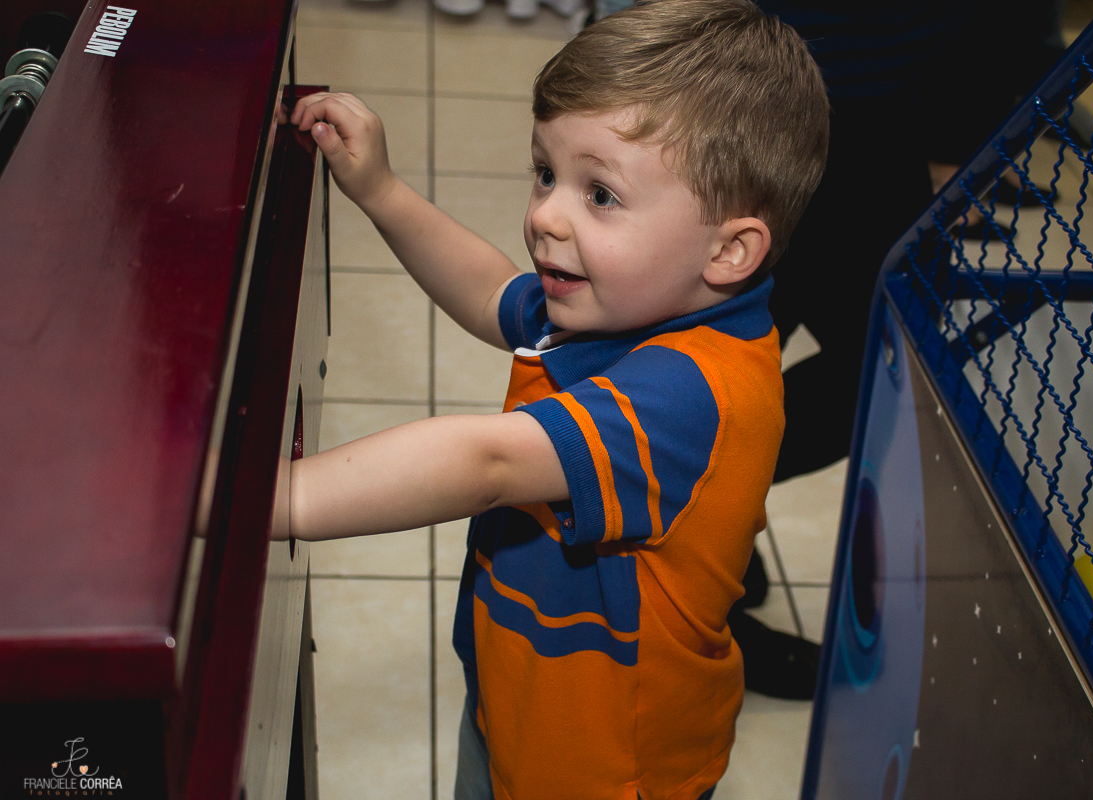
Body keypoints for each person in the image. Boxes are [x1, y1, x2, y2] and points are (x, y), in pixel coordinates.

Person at [286, 1, 830, 798]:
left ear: (729, 250)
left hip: (604, 769)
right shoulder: (622, 300)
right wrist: (382, 191)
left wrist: (254, 500)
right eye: (546, 173)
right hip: (524, 706)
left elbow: (488, 461)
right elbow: (488, 292)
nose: (545, 215)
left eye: (599, 195)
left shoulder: (692, 393)